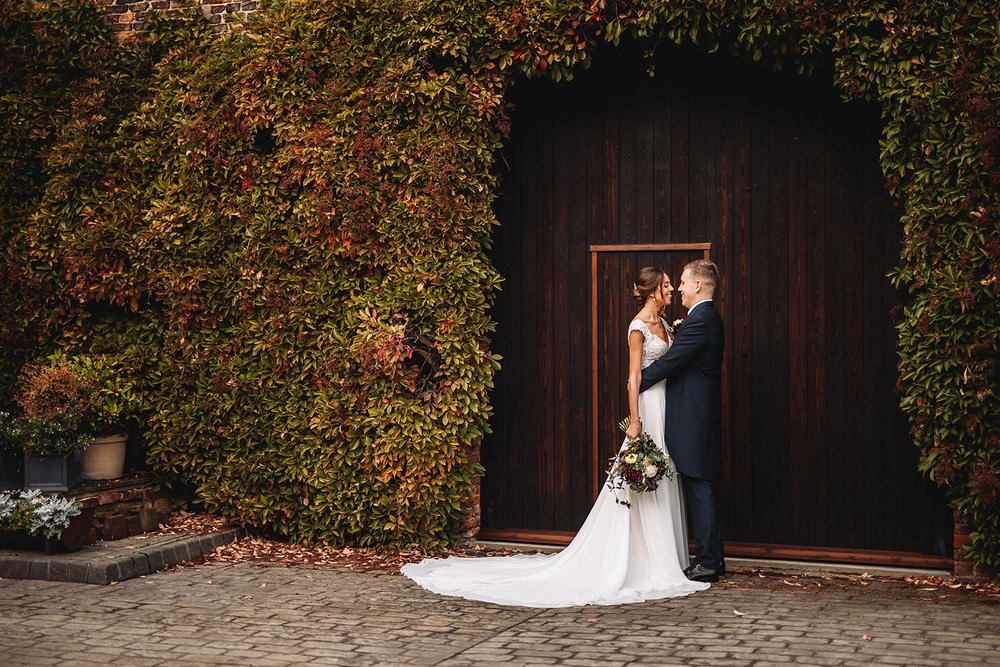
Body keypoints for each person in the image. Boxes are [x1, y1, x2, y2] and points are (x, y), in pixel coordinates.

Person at [401, 267, 708, 607]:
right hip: (649, 406)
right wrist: (635, 420)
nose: (671, 290)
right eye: (666, 285)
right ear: (652, 291)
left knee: (664, 473)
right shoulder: (637, 327)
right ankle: (640, 559)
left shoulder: (666, 326)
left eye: (672, 285)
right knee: (642, 479)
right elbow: (632, 378)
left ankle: (663, 554)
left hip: (669, 406)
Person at [639, 259, 725, 583]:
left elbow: (672, 361)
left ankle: (707, 563)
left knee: (699, 486)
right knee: (704, 486)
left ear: (699, 286)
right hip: (700, 415)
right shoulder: (705, 318)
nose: (680, 290)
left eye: (685, 283)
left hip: (695, 418)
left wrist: (638, 381)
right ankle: (713, 558)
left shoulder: (701, 320)